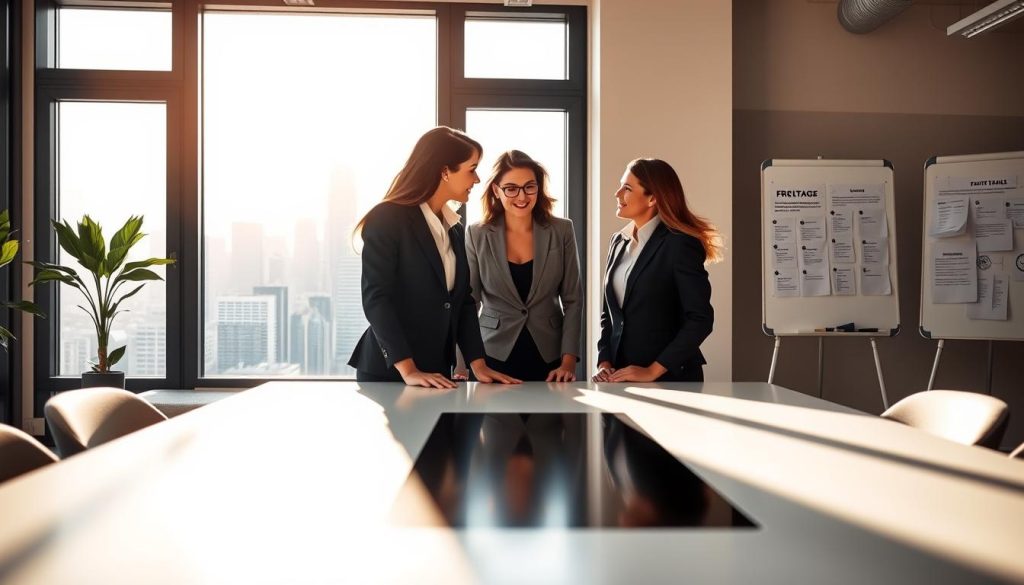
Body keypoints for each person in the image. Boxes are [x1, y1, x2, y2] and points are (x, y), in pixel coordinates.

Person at [348, 126, 521, 389]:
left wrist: (479, 365)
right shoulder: (387, 218)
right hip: (390, 373)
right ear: (444, 171)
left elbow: (462, 301)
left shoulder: (454, 228)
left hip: (436, 371)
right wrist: (409, 369)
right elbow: (376, 298)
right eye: (471, 169)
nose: (476, 179)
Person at [456, 150, 583, 382]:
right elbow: (469, 302)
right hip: (492, 356)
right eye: (511, 188)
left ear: (538, 188)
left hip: (551, 359)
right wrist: (461, 364)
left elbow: (573, 300)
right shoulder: (477, 233)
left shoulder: (562, 230)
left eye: (529, 187)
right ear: (496, 190)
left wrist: (569, 362)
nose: (522, 196)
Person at [592, 158, 721, 383]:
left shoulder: (680, 244)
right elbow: (610, 314)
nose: (617, 193)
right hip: (621, 377)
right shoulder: (618, 241)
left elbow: (701, 318)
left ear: (652, 198)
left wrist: (652, 370)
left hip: (671, 378)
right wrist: (605, 361)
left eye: (627, 188)